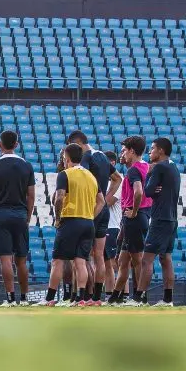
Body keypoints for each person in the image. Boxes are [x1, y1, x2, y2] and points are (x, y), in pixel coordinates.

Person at [43, 143, 103, 307]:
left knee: (58, 261)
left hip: (70, 220)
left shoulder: (65, 175)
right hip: (88, 223)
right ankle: (81, 298)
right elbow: (101, 201)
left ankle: (49, 298)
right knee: (81, 262)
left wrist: (57, 218)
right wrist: (90, 215)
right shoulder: (91, 176)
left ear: (66, 158)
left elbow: (60, 197)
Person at [0, 129, 35, 307]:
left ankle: (11, 298)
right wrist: (27, 217)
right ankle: (25, 298)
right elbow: (31, 195)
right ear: (17, 145)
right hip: (20, 214)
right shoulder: (27, 165)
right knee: (21, 260)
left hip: (0, 214)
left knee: (5, 259)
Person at [67, 130, 113, 305]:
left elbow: (80, 178)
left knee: (80, 256)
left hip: (88, 209)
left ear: (78, 144)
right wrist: (105, 200)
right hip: (103, 210)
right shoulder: (102, 155)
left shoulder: (85, 157)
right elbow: (116, 178)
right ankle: (96, 298)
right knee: (99, 256)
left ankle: (82, 295)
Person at [109, 136, 153, 306]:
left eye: (124, 151)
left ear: (132, 151)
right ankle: (114, 298)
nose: (122, 154)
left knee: (137, 260)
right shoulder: (146, 167)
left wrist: (134, 212)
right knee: (123, 260)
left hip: (134, 216)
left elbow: (139, 192)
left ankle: (140, 297)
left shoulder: (133, 170)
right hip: (140, 216)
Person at [138, 137, 180, 307]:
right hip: (172, 218)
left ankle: (138, 297)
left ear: (161, 150)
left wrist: (149, 175)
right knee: (166, 258)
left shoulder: (159, 167)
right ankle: (168, 299)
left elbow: (147, 191)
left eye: (153, 148)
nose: (150, 152)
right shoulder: (173, 167)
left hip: (160, 218)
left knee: (147, 259)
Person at [103, 150, 123, 293]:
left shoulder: (118, 181)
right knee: (106, 264)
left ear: (112, 164)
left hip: (112, 226)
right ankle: (109, 294)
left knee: (115, 263)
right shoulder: (104, 181)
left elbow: (107, 202)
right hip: (103, 226)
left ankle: (123, 294)